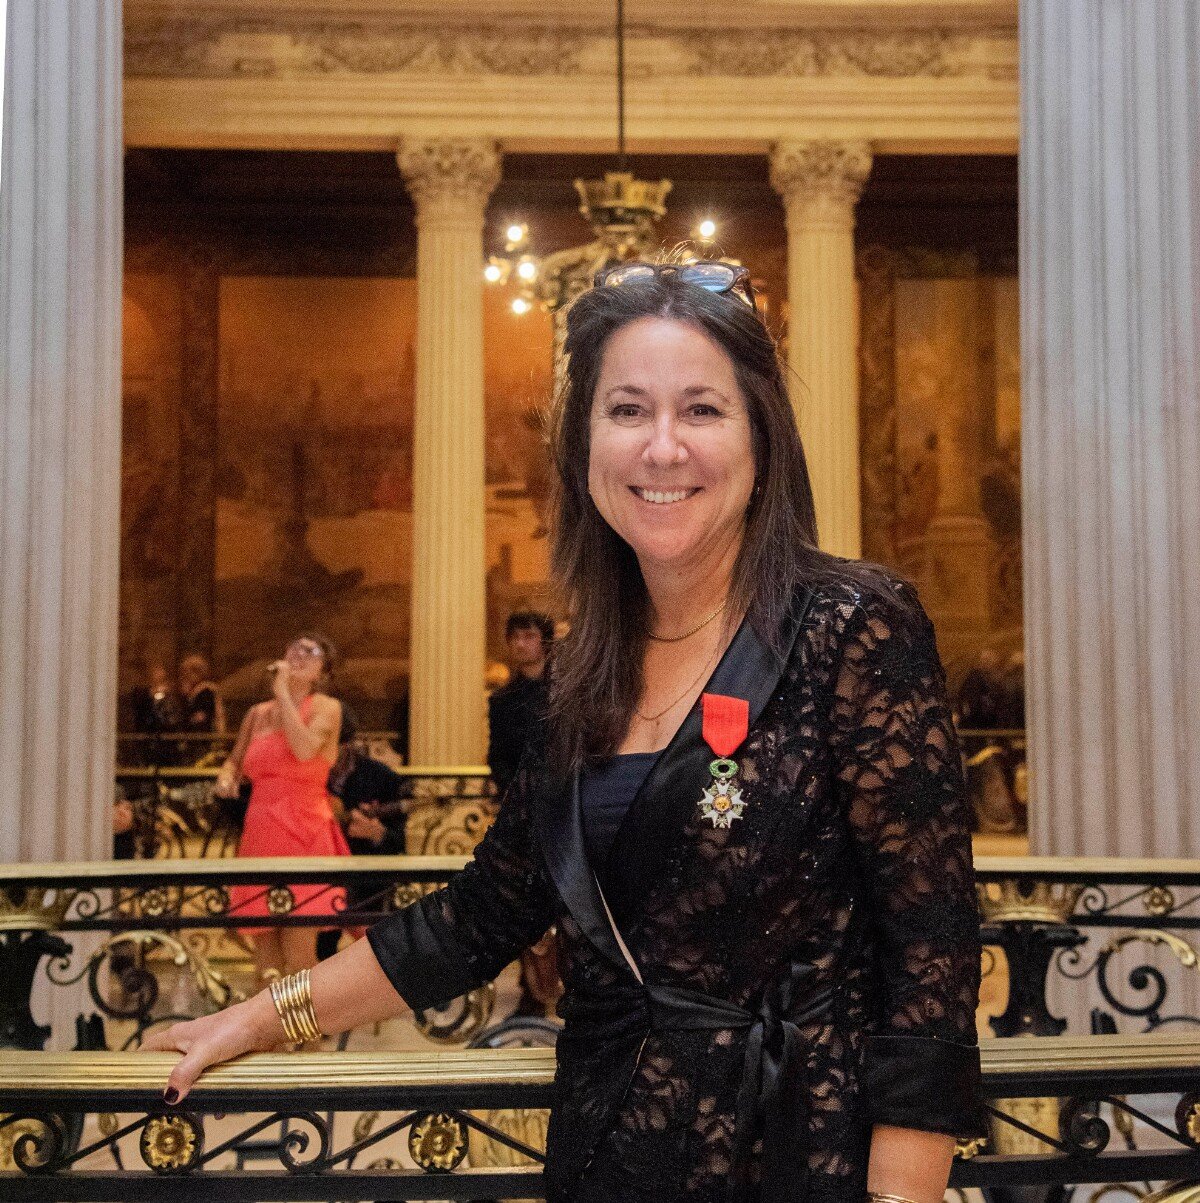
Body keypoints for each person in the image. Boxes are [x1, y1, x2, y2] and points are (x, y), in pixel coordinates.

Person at [146, 260, 984, 1203]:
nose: (662, 448)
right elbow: (473, 920)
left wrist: (904, 1193)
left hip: (797, 1152)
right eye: (627, 410)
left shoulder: (850, 624)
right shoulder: (579, 680)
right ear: (586, 446)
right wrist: (260, 1018)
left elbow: (933, 941)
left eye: (702, 410)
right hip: (607, 1151)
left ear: (761, 440)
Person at [214, 633, 350, 982]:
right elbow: (236, 760)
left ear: (323, 670)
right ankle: (269, 1038)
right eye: (294, 648)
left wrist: (283, 696)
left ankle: (310, 1036)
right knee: (266, 958)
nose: (298, 654)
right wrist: (226, 776)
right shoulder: (257, 715)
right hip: (262, 830)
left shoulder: (327, 708)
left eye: (311, 650)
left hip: (304, 831)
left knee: (300, 952)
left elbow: (304, 749)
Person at [487, 609, 554, 797]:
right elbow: (498, 755)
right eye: (514, 637)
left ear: (546, 642)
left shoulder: (564, 693)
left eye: (529, 636)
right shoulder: (502, 699)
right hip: (520, 796)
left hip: (561, 792)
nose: (520, 644)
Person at [177, 653, 228, 737]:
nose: (185, 677)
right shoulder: (189, 692)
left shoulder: (206, 691)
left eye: (187, 672)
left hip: (203, 736)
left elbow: (202, 716)